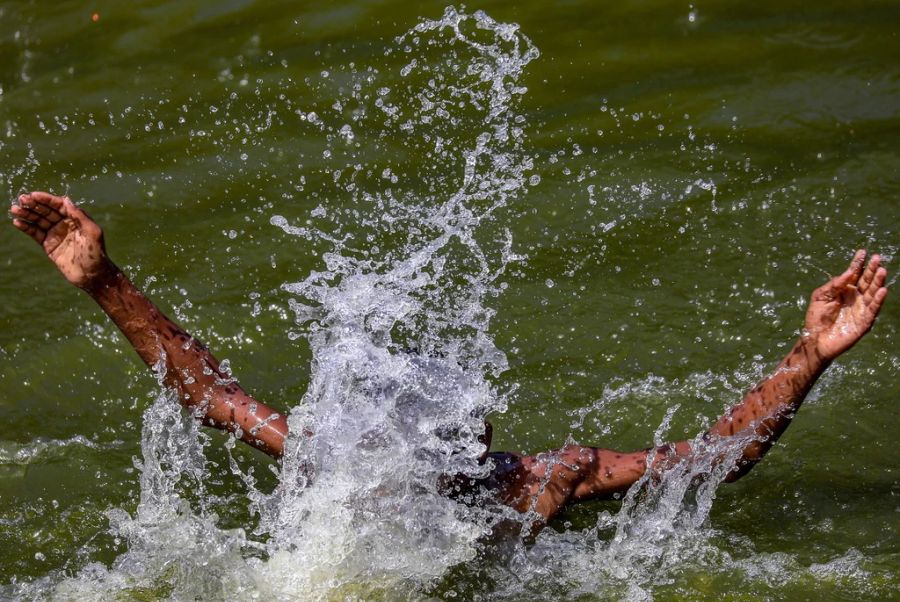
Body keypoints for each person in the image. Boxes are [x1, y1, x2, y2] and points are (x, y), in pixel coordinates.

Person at [10, 191, 889, 528]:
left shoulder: (534, 484)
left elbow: (710, 465)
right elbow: (205, 391)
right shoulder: (339, 462)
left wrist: (810, 353)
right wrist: (104, 282)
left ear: (470, 455)